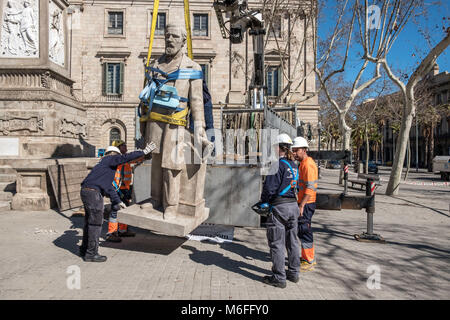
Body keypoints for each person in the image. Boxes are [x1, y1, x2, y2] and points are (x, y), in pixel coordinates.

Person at [139, 23, 212, 219]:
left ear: (183, 41)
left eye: (174, 36)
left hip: (176, 123)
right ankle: (155, 198)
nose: (169, 40)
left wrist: (199, 128)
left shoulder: (193, 67)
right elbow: (146, 96)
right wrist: (143, 123)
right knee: (155, 161)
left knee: (171, 164)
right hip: (154, 122)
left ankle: (171, 204)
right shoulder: (155, 65)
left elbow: (197, 100)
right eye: (167, 36)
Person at [79, 141, 156, 262]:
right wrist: (143, 152)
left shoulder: (104, 166)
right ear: (113, 154)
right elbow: (124, 157)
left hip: (87, 191)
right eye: (117, 156)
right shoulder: (110, 159)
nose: (118, 159)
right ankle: (91, 253)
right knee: (95, 224)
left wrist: (118, 201)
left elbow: (109, 187)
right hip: (93, 194)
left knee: (89, 223)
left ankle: (84, 249)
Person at [258, 133, 300, 288]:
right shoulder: (294, 165)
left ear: (277, 147)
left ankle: (279, 278)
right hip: (293, 207)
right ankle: (294, 273)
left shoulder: (277, 165)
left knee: (277, 243)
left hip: (280, 208)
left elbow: (269, 188)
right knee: (293, 242)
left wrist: (263, 202)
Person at [105, 139, 145, 242]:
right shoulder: (115, 159)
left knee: (124, 209)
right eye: (123, 145)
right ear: (118, 148)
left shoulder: (125, 158)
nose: (125, 147)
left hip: (125, 189)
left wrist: (145, 155)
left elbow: (136, 160)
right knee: (115, 210)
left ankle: (123, 230)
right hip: (117, 190)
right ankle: (111, 233)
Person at [291, 136, 318, 272]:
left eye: (296, 150)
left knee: (305, 230)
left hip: (307, 203)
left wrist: (301, 205)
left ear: (304, 150)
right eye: (293, 150)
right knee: (302, 230)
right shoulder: (303, 163)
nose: (294, 153)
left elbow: (310, 188)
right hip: (305, 202)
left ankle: (308, 260)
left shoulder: (307, 164)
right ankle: (305, 257)